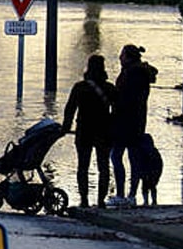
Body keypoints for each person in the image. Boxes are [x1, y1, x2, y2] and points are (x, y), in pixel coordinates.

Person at [62, 54, 117, 208]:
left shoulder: (80, 87)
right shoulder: (109, 88)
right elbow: (118, 109)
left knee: (83, 167)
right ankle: (101, 201)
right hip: (104, 131)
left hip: (84, 130)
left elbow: (70, 108)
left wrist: (65, 127)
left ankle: (84, 199)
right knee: (104, 167)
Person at [109, 44, 158, 206]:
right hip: (137, 121)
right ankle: (131, 194)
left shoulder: (131, 74)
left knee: (116, 156)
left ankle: (122, 194)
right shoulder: (140, 73)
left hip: (124, 122)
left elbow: (125, 99)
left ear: (128, 57)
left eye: (122, 55)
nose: (120, 57)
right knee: (133, 158)